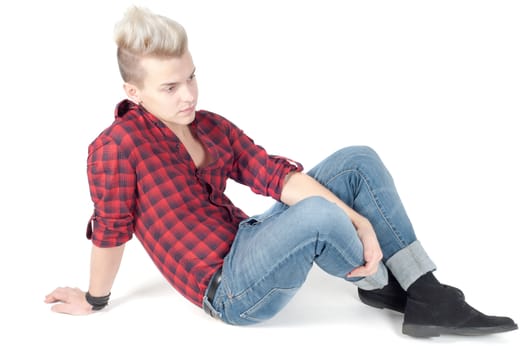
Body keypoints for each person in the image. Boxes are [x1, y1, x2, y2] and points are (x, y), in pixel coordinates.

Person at [44, 6, 518, 338]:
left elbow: (273, 175)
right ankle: (382, 284)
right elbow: (111, 230)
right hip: (229, 290)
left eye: (191, 76)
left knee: (357, 160)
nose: (188, 95)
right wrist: (96, 299)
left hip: (249, 239)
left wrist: (362, 221)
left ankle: (425, 290)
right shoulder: (115, 148)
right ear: (134, 89)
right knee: (319, 216)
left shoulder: (208, 126)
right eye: (169, 87)